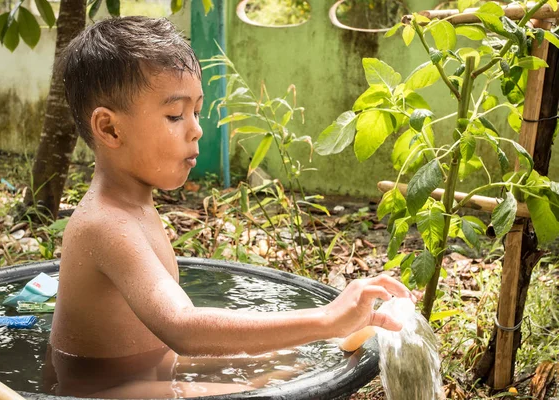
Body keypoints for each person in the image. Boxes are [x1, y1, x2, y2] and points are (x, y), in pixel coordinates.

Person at [47, 16, 414, 398]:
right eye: (175, 115)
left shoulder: (133, 207)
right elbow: (184, 329)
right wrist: (326, 319)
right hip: (95, 392)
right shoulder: (105, 224)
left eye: (196, 111)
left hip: (146, 369)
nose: (196, 128)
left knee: (280, 367)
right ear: (109, 129)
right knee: (246, 392)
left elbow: (160, 344)